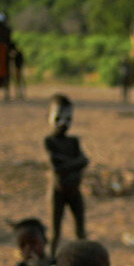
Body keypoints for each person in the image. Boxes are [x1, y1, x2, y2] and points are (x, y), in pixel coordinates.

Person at [45, 94, 89, 252]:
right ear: (48, 117)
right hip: (57, 191)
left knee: (81, 230)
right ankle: (51, 257)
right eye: (58, 118)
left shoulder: (73, 141)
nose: (63, 124)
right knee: (55, 232)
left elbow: (85, 161)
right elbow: (56, 167)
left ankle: (83, 257)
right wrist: (75, 163)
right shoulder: (50, 141)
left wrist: (65, 163)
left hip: (74, 190)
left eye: (68, 119)